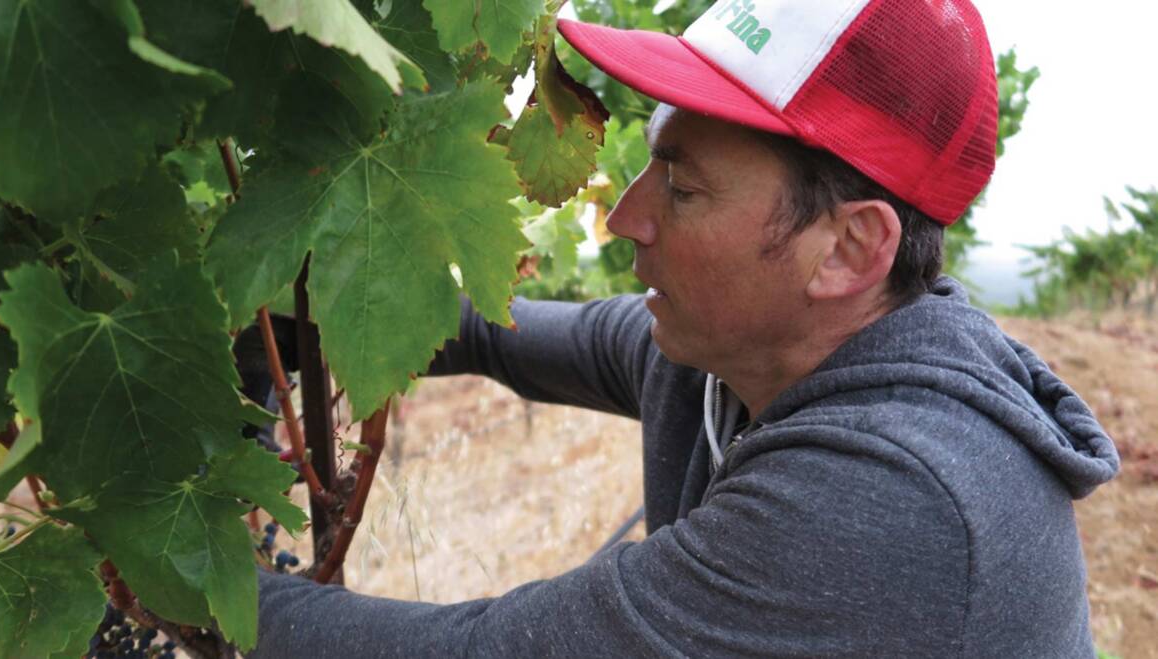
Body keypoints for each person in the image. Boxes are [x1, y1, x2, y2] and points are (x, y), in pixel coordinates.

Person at [252, 0, 1120, 656]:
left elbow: (487, 649)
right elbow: (488, 331)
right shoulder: (733, 351)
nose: (625, 217)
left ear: (849, 249)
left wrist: (177, 574)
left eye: (682, 185)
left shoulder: (892, 501)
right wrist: (272, 317)